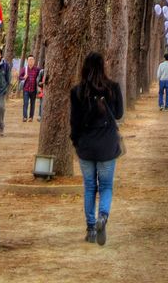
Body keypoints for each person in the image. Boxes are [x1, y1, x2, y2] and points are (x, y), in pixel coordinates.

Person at [69, 51, 124, 246]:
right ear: (103, 67)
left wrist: (75, 142)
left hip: (86, 145)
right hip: (107, 144)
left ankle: (91, 228)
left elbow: (74, 122)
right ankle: (103, 216)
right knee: (107, 186)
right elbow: (118, 114)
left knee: (90, 186)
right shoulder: (113, 88)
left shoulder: (77, 91)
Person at [20, 54, 40, 120]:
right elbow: (19, 77)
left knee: (32, 104)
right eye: (29, 60)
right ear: (27, 61)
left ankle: (31, 117)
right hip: (26, 89)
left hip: (33, 89)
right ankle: (25, 117)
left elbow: (40, 77)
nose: (31, 61)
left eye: (32, 60)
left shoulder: (37, 69)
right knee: (25, 103)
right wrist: (23, 77)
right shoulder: (24, 69)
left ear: (34, 61)